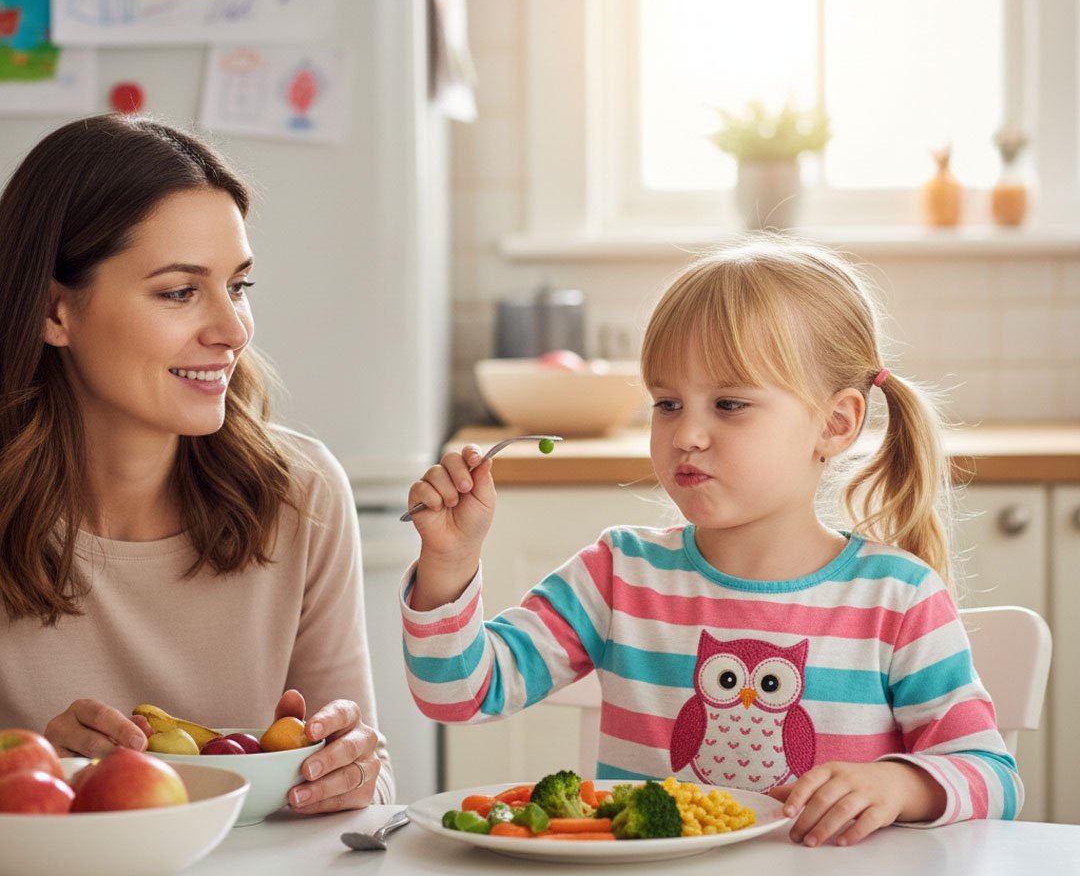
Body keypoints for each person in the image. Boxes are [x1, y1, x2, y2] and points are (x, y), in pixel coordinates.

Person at [400, 237, 1021, 846]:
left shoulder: (898, 597)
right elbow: (458, 695)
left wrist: (900, 785)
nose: (686, 435)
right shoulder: (618, 574)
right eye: (667, 403)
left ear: (835, 424)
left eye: (728, 404)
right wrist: (450, 560)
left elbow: (993, 777)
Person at [0, 114, 392, 810]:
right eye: (180, 291)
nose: (233, 330)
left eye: (238, 286)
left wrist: (354, 772)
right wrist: (39, 770)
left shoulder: (301, 495)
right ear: (54, 311)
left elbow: (372, 784)